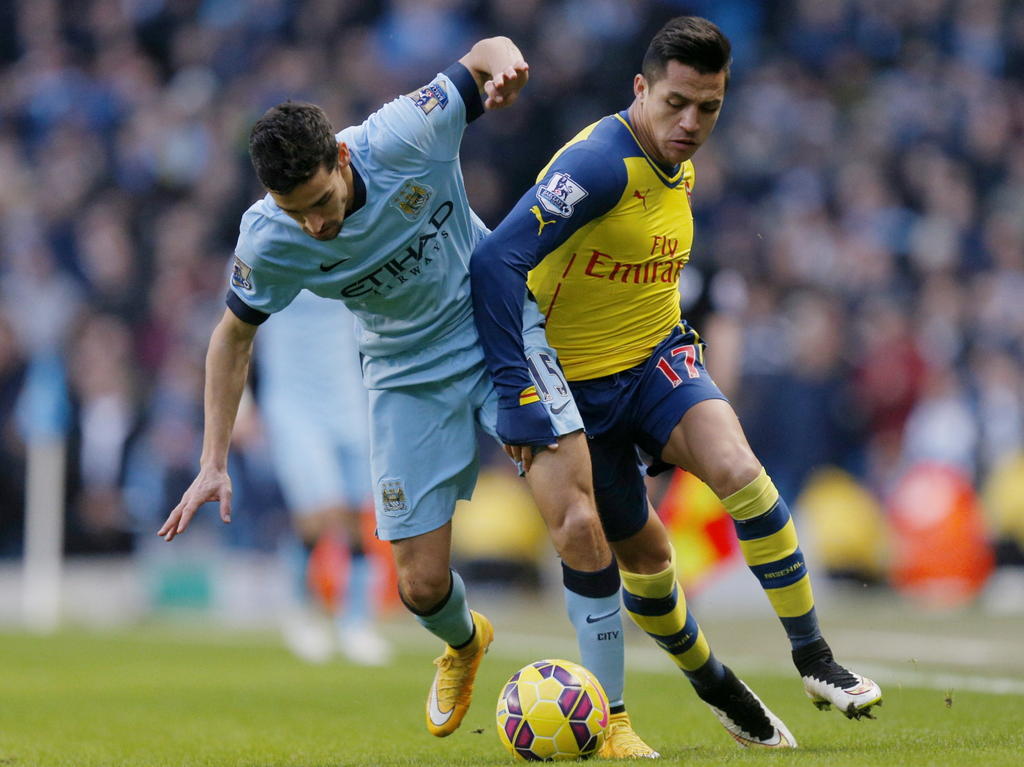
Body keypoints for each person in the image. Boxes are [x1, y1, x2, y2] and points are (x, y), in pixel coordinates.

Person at [156, 37, 664, 755]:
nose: (317, 226)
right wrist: (212, 459)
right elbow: (230, 338)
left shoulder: (405, 131)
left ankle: (611, 719)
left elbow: (483, 51)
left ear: (341, 157)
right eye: (296, 212)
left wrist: (508, 65)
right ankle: (464, 641)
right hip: (400, 371)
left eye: (323, 203)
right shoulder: (269, 236)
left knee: (578, 521)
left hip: (493, 328)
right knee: (420, 586)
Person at [469, 13, 883, 739]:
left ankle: (816, 658)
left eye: (710, 108)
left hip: (656, 357)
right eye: (676, 104)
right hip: (577, 392)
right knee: (650, 560)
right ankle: (718, 686)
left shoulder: (677, 161)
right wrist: (519, 390)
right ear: (641, 89)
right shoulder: (598, 164)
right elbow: (494, 261)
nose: (692, 123)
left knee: (741, 469)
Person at [254, 288, 390, 666]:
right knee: (318, 512)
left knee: (356, 515)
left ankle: (357, 623)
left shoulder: (346, 252)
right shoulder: (268, 251)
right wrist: (243, 403)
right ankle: (302, 612)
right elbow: (236, 326)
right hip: (292, 404)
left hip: (346, 399)